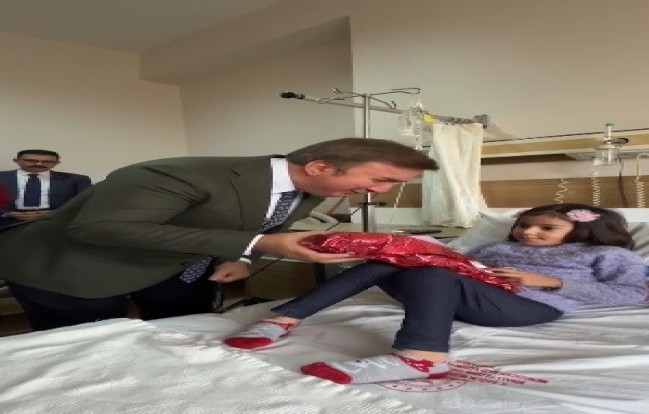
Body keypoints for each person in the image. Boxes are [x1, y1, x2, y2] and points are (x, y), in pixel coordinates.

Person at [0, 138, 438, 331]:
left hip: (170, 266)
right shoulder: (177, 175)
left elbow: (262, 225)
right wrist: (257, 245)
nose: (381, 192)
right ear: (320, 166)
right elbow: (100, 228)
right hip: (69, 266)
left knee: (184, 327)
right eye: (380, 180)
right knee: (91, 348)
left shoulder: (309, 189)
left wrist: (242, 257)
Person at [223, 203, 649, 384]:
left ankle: (422, 357)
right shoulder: (497, 247)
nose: (528, 233)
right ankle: (284, 319)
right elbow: (461, 267)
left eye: (545, 228)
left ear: (584, 229)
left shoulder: (607, 254)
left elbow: (633, 294)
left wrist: (549, 281)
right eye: (523, 225)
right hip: (467, 294)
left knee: (432, 270)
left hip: (527, 306)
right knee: (390, 260)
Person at [0, 149, 92, 229]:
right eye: (31, 161)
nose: (39, 164)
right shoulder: (2, 177)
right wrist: (6, 214)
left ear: (57, 163)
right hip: (6, 221)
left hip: (56, 223)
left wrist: (55, 213)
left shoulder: (76, 180)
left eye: (47, 162)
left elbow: (85, 203)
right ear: (16, 160)